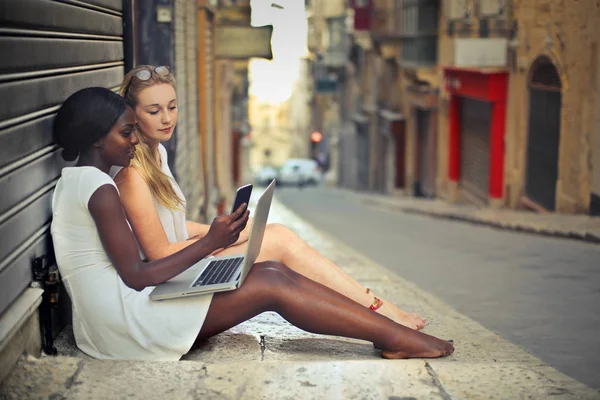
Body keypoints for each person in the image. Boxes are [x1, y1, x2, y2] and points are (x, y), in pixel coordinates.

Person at [51, 86, 454, 360]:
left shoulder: (85, 181)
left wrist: (210, 243)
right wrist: (210, 242)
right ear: (95, 139)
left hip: (121, 316)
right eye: (126, 133)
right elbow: (138, 274)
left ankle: (390, 331)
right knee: (271, 284)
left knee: (272, 268)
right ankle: (397, 337)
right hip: (124, 327)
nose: (135, 140)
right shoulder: (99, 187)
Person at [112, 65, 425, 329]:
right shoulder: (133, 174)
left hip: (186, 264)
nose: (167, 118)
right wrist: (215, 241)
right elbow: (158, 255)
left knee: (274, 235)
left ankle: (373, 309)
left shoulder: (157, 154)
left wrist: (221, 231)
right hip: (169, 283)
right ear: (133, 115)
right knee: (282, 241)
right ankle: (380, 312)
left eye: (172, 106)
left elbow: (174, 224)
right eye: (154, 110)